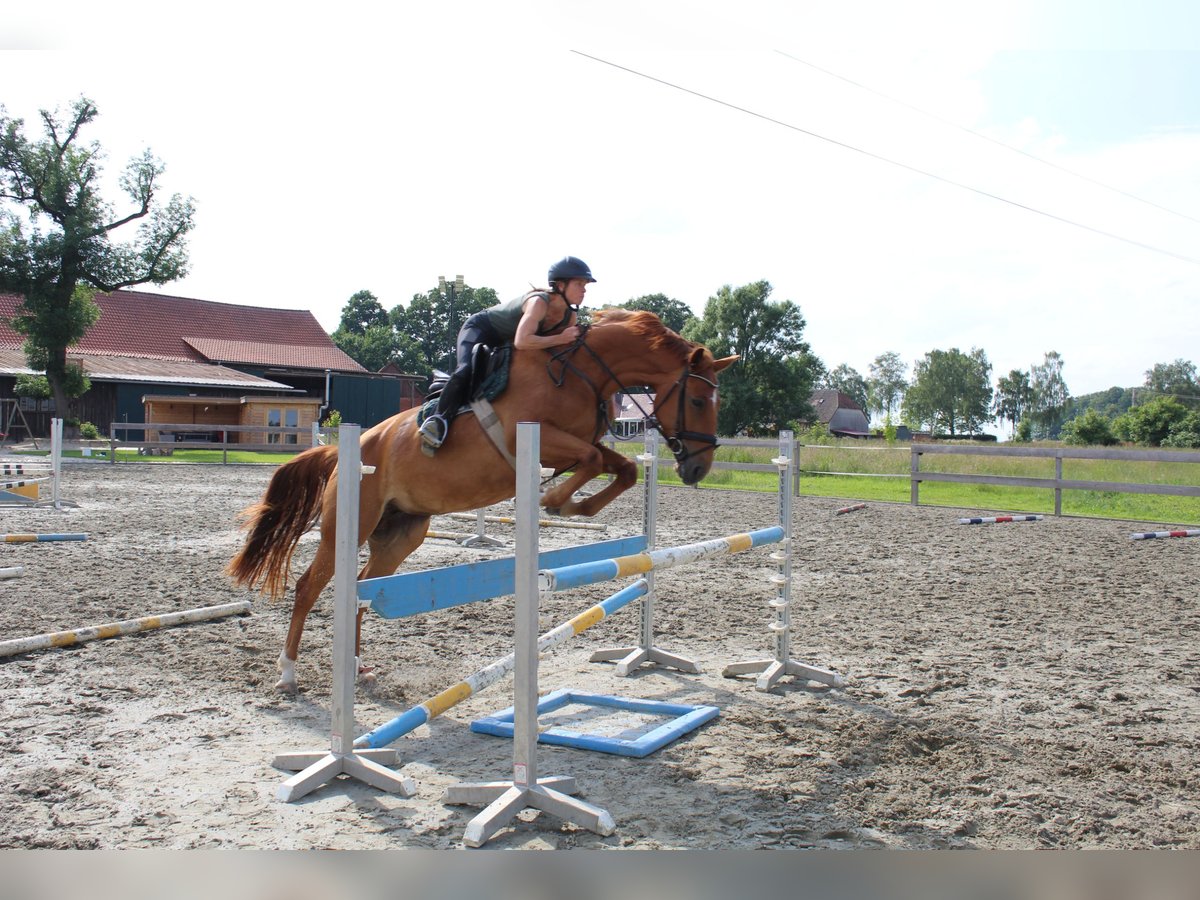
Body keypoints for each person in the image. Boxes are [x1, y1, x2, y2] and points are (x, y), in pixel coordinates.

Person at [417, 255, 596, 451]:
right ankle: (437, 421)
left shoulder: (570, 316)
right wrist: (561, 339)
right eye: (579, 284)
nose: (584, 289)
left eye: (585, 284)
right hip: (481, 330)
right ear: (561, 286)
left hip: (504, 342)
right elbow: (522, 340)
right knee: (466, 369)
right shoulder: (538, 302)